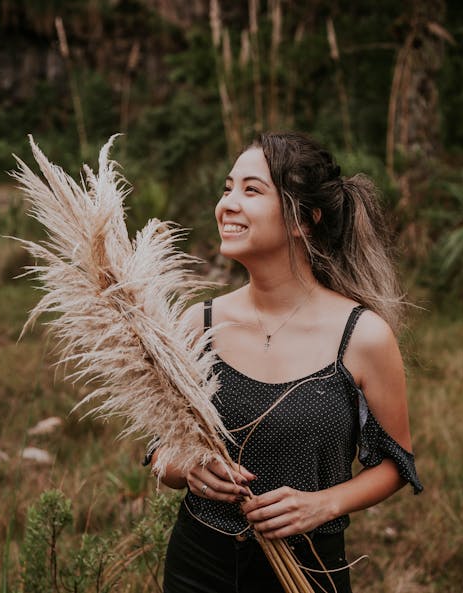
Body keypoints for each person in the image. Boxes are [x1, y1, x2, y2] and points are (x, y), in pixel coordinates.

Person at [149, 131, 423, 593]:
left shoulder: (363, 335)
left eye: (251, 190)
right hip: (199, 562)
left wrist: (324, 505)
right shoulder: (199, 323)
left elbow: (397, 465)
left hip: (310, 567)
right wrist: (187, 468)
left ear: (304, 220)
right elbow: (160, 451)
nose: (228, 204)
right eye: (227, 188)